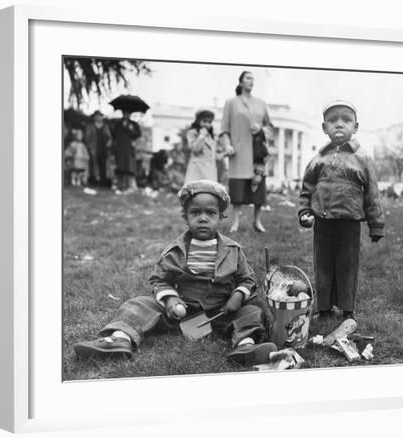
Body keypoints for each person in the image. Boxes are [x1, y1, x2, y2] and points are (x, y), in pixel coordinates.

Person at [74, 179, 277, 366]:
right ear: (185, 218)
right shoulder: (176, 250)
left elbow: (247, 278)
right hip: (182, 312)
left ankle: (246, 344)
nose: (203, 219)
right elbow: (159, 280)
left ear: (221, 217)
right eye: (196, 213)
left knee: (252, 311)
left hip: (222, 312)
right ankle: (120, 339)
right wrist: (171, 300)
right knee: (138, 304)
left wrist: (238, 295)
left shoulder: (233, 250)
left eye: (210, 213)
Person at [298, 100, 385, 320]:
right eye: (333, 120)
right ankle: (324, 308)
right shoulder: (318, 158)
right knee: (323, 265)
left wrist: (376, 225)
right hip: (323, 222)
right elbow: (306, 189)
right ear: (324, 127)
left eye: (346, 120)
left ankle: (348, 311)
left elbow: (372, 192)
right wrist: (304, 212)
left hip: (349, 223)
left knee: (347, 266)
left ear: (355, 127)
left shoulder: (362, 158)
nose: (339, 124)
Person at [220, 71, 273, 233]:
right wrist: (227, 145)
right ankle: (235, 222)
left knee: (258, 188)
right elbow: (224, 129)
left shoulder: (261, 103)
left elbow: (270, 127)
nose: (251, 81)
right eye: (248, 78)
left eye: (253, 78)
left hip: (257, 153)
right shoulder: (231, 103)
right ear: (241, 82)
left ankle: (257, 222)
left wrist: (261, 129)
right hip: (239, 151)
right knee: (238, 189)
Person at [184, 109, 234, 183]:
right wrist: (201, 136)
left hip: (210, 174)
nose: (207, 124)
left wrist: (225, 154)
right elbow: (195, 149)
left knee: (209, 193)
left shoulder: (211, 137)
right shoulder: (192, 133)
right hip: (197, 173)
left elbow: (214, 156)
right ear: (198, 121)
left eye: (209, 122)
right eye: (204, 121)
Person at [112, 110, 141, 191]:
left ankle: (129, 185)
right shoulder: (118, 123)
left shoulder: (133, 124)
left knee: (129, 167)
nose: (126, 115)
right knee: (120, 167)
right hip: (120, 148)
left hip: (129, 148)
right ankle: (119, 185)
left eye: (128, 113)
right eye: (125, 113)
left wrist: (131, 129)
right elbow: (113, 134)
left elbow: (138, 134)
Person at [84, 110, 112, 187]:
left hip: (104, 148)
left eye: (100, 116)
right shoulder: (90, 126)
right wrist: (90, 147)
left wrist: (109, 142)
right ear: (94, 117)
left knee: (103, 165)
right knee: (93, 165)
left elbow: (109, 137)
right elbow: (87, 137)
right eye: (97, 116)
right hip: (94, 148)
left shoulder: (105, 126)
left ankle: (103, 182)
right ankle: (93, 181)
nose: (99, 117)